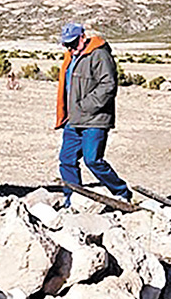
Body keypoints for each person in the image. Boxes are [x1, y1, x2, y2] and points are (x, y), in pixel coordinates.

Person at [54, 22, 131, 207]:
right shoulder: (71, 57)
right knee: (67, 159)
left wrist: (84, 106)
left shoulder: (99, 54)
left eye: (72, 43)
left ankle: (121, 192)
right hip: (73, 119)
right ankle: (72, 197)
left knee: (93, 160)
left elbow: (108, 85)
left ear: (83, 37)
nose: (69, 47)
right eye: (66, 44)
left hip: (95, 119)